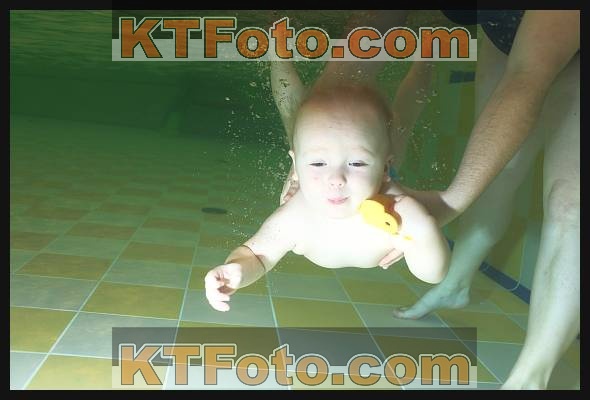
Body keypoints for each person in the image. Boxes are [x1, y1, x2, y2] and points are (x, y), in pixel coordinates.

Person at [380, 10, 579, 390]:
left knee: (570, 204)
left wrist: (451, 202)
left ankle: (529, 379)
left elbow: (527, 80)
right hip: (508, 36)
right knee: (495, 170)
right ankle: (456, 284)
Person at [204, 80, 450, 313]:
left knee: (401, 123)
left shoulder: (400, 209)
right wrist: (237, 269)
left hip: (382, 180)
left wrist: (423, 230)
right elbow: (256, 256)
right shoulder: (295, 216)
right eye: (318, 163)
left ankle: (423, 62)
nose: (336, 179)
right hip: (366, 169)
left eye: (356, 163)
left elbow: (432, 275)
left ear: (385, 169)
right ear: (295, 167)